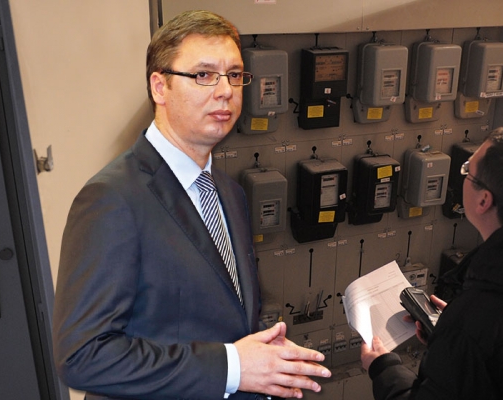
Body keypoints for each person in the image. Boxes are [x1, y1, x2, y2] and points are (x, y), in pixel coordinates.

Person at [52, 10, 331, 400]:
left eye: (235, 75)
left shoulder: (228, 192)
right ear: (160, 87)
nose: (225, 90)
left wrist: (260, 360)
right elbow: (83, 357)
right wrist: (232, 367)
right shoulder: (111, 199)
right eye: (203, 75)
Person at [361, 126, 503, 399]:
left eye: (467, 171)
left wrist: (384, 367)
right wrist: (451, 339)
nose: (464, 177)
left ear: (484, 200)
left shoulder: (475, 326)